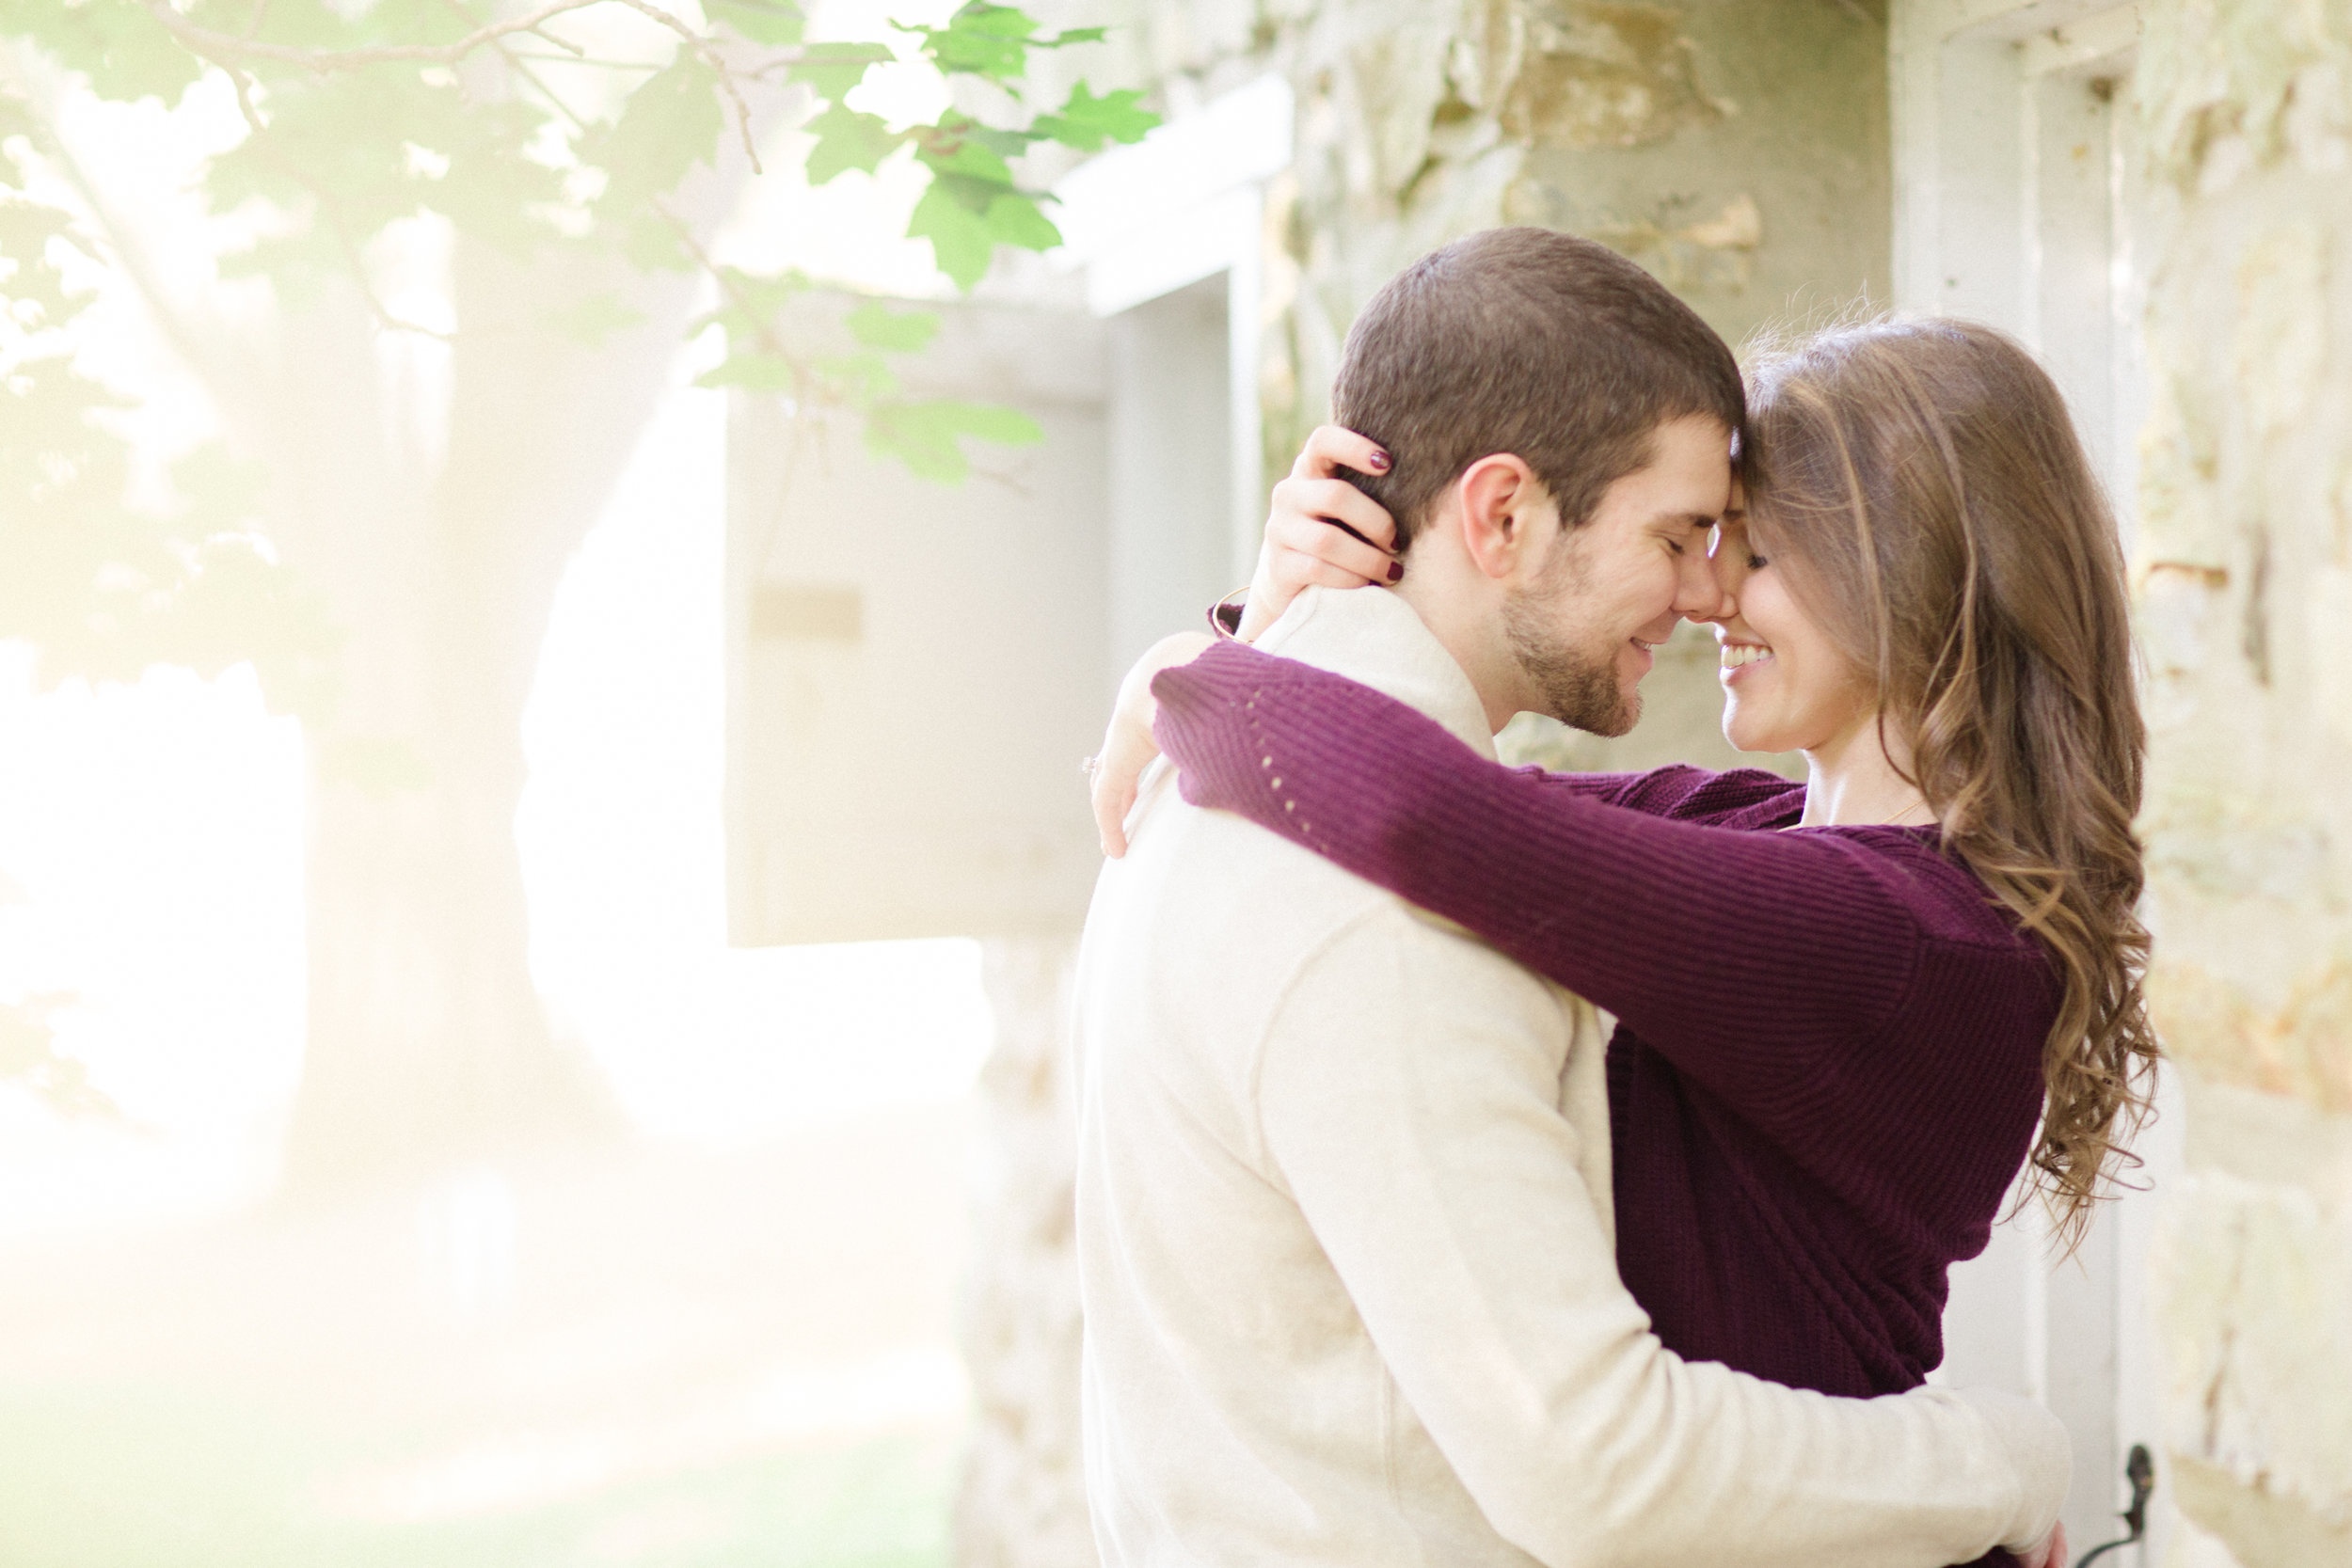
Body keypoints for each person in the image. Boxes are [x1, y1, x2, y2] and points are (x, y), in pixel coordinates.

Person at [1070, 227, 2073, 1568]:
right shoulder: (1717, 847)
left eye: (1747, 548)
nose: (1708, 588)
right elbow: (1464, 813)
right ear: (1501, 516)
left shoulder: (1907, 939)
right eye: (1691, 534)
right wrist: (1248, 648)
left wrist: (1212, 670)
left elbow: (1454, 817)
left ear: (1910, 580)